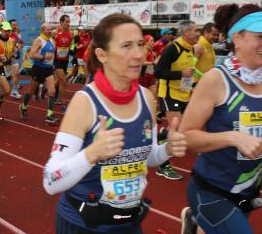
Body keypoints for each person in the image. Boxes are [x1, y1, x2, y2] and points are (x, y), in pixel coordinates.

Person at [42, 13, 187, 233]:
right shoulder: (85, 103)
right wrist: (91, 154)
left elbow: (146, 158)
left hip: (129, 224)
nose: (139, 54)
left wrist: (167, 149)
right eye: (126, 46)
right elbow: (50, 181)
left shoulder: (147, 98)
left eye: (140, 44)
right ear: (102, 54)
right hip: (83, 226)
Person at [179, 4, 262, 234]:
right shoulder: (216, 80)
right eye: (259, 36)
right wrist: (232, 137)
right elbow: (186, 137)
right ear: (237, 38)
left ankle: (195, 225)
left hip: (247, 193)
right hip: (212, 192)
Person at [154, 20, 200, 180]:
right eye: (196, 30)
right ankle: (163, 166)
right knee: (177, 130)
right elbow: (158, 72)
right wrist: (181, 74)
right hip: (169, 94)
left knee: (184, 129)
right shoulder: (172, 48)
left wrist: (191, 84)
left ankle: (161, 135)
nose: (198, 33)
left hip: (184, 94)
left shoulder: (191, 48)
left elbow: (188, 73)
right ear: (186, 33)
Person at [19, 23, 60, 124]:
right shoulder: (39, 40)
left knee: (52, 91)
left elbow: (52, 56)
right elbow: (31, 54)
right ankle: (23, 106)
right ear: (42, 31)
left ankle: (49, 114)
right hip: (38, 69)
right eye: (47, 30)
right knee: (31, 91)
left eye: (50, 29)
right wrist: (44, 57)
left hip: (49, 69)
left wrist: (52, 65)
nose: (50, 31)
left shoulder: (51, 40)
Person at [0, 22, 16, 121]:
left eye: (9, 30)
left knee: (3, 92)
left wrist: (14, 55)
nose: (7, 32)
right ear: (1, 30)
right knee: (6, 90)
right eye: (6, 30)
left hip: (7, 68)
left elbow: (13, 52)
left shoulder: (12, 40)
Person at [54, 15, 73, 106]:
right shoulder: (55, 32)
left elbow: (71, 45)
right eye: (66, 22)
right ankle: (63, 102)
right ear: (61, 22)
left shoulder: (71, 33)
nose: (68, 24)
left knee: (58, 81)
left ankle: (48, 90)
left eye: (69, 22)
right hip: (57, 59)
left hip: (65, 59)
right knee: (63, 80)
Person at [8, 19, 24, 99]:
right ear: (9, 25)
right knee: (3, 76)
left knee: (16, 72)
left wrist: (18, 47)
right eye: (13, 25)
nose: (15, 26)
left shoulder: (15, 35)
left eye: (15, 24)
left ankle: (14, 91)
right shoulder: (5, 34)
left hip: (13, 58)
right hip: (4, 59)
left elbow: (22, 43)